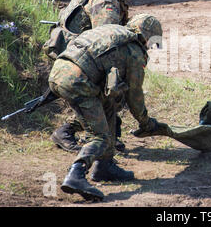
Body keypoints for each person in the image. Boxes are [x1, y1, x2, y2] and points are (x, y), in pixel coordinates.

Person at [48, 14, 163, 201]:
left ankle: (104, 166)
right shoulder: (133, 50)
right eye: (151, 42)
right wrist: (146, 122)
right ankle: (76, 174)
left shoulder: (112, 31)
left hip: (60, 70)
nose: (150, 46)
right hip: (79, 82)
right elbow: (134, 96)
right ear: (147, 36)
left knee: (109, 107)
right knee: (99, 136)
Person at [47, 0, 151, 153]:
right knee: (111, 91)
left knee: (109, 91)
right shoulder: (107, 2)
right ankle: (71, 132)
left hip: (79, 52)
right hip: (81, 57)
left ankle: (109, 134)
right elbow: (107, 43)